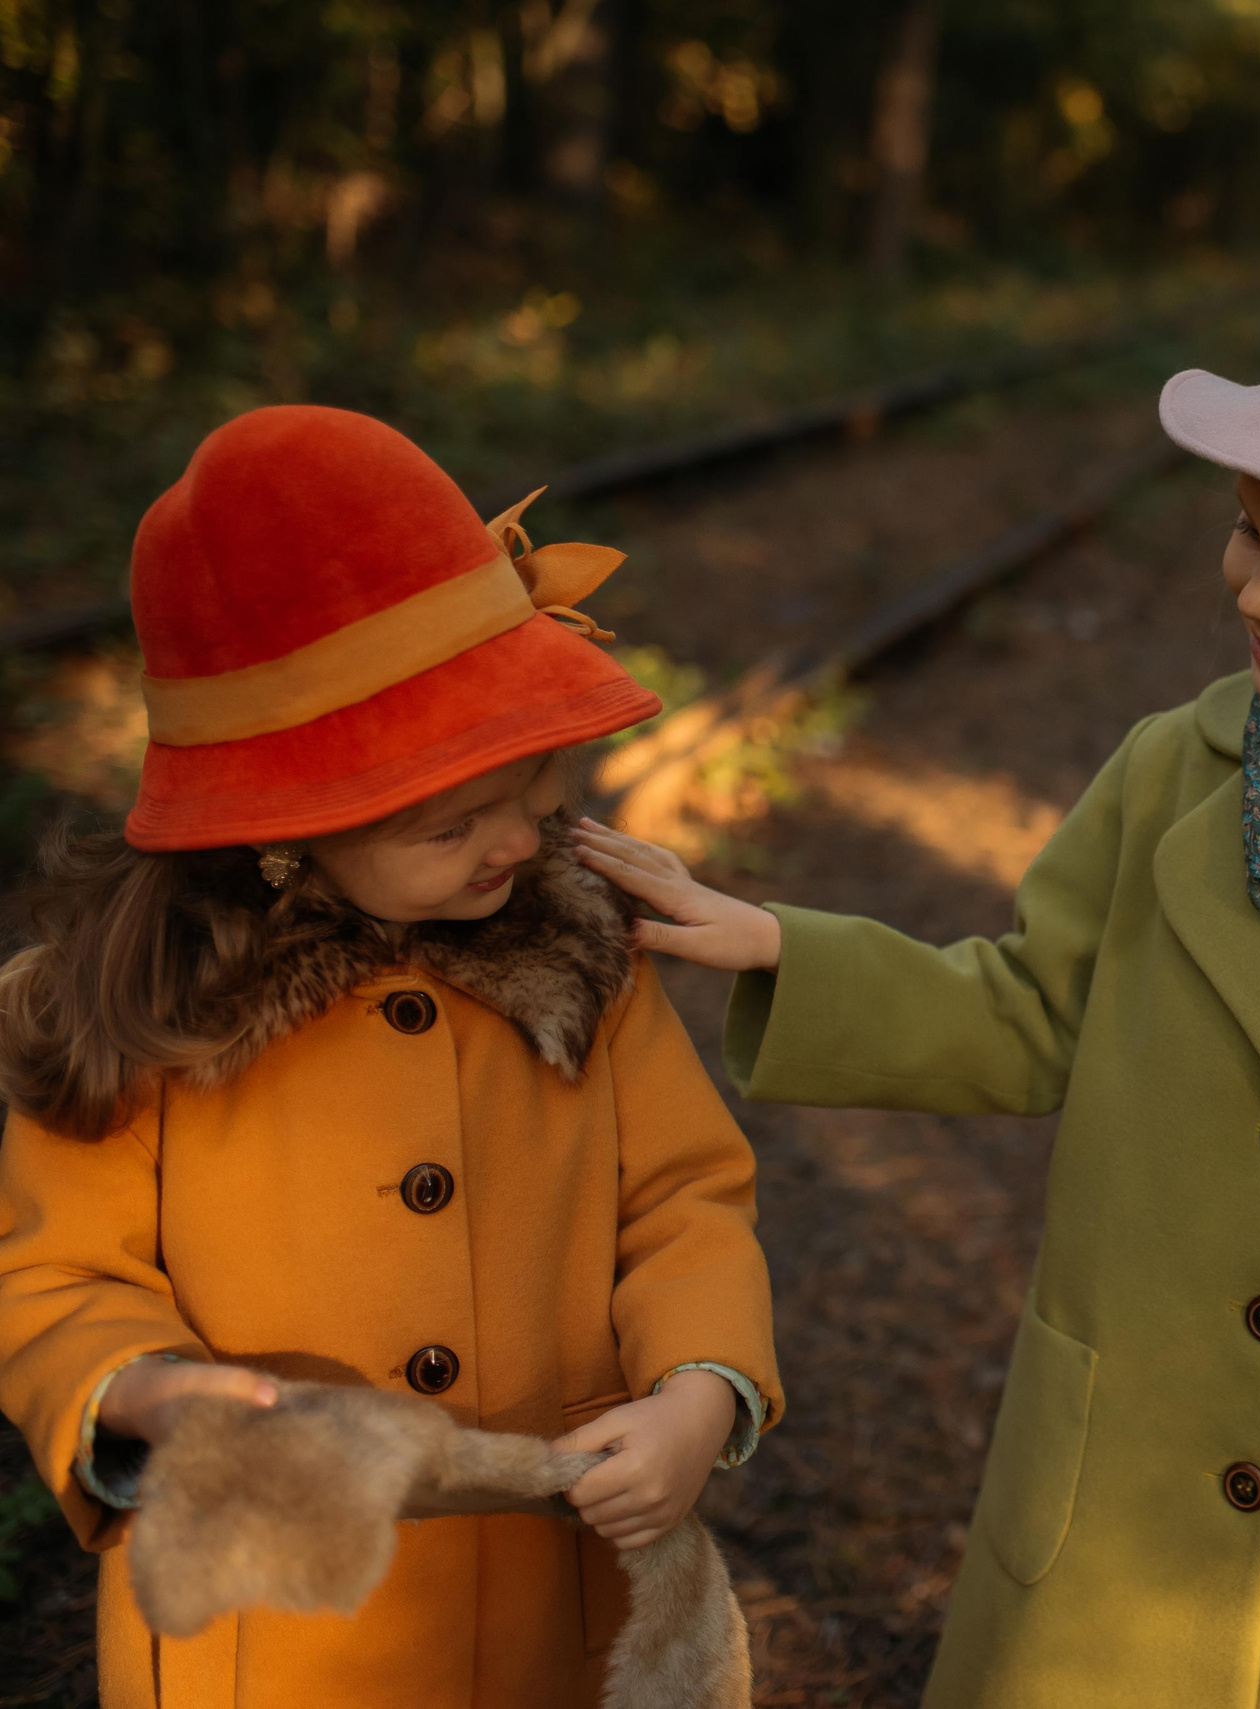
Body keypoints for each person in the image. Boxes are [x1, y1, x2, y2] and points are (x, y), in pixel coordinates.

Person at [573, 251, 1260, 1708]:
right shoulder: (1174, 764)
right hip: (1121, 1503)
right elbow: (1030, 1006)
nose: (1257, 591)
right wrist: (786, 945)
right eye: (1248, 537)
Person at [0, 405, 783, 1709]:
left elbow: (684, 1201)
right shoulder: (137, 1013)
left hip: (555, 1613)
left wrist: (700, 1384)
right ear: (280, 828)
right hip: (272, 1628)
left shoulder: (587, 962)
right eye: (455, 820)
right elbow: (55, 1273)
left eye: (532, 794)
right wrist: (149, 1389)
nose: (516, 845)